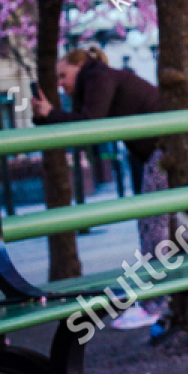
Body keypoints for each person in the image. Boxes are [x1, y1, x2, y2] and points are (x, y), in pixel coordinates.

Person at [31, 47, 166, 264]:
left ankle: (162, 287)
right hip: (156, 151)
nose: (60, 83)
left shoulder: (98, 76)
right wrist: (43, 117)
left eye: (63, 75)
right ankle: (161, 286)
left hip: (163, 150)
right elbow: (76, 126)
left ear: (80, 66)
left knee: (154, 223)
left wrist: (49, 113)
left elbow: (89, 124)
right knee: (153, 222)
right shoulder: (93, 81)